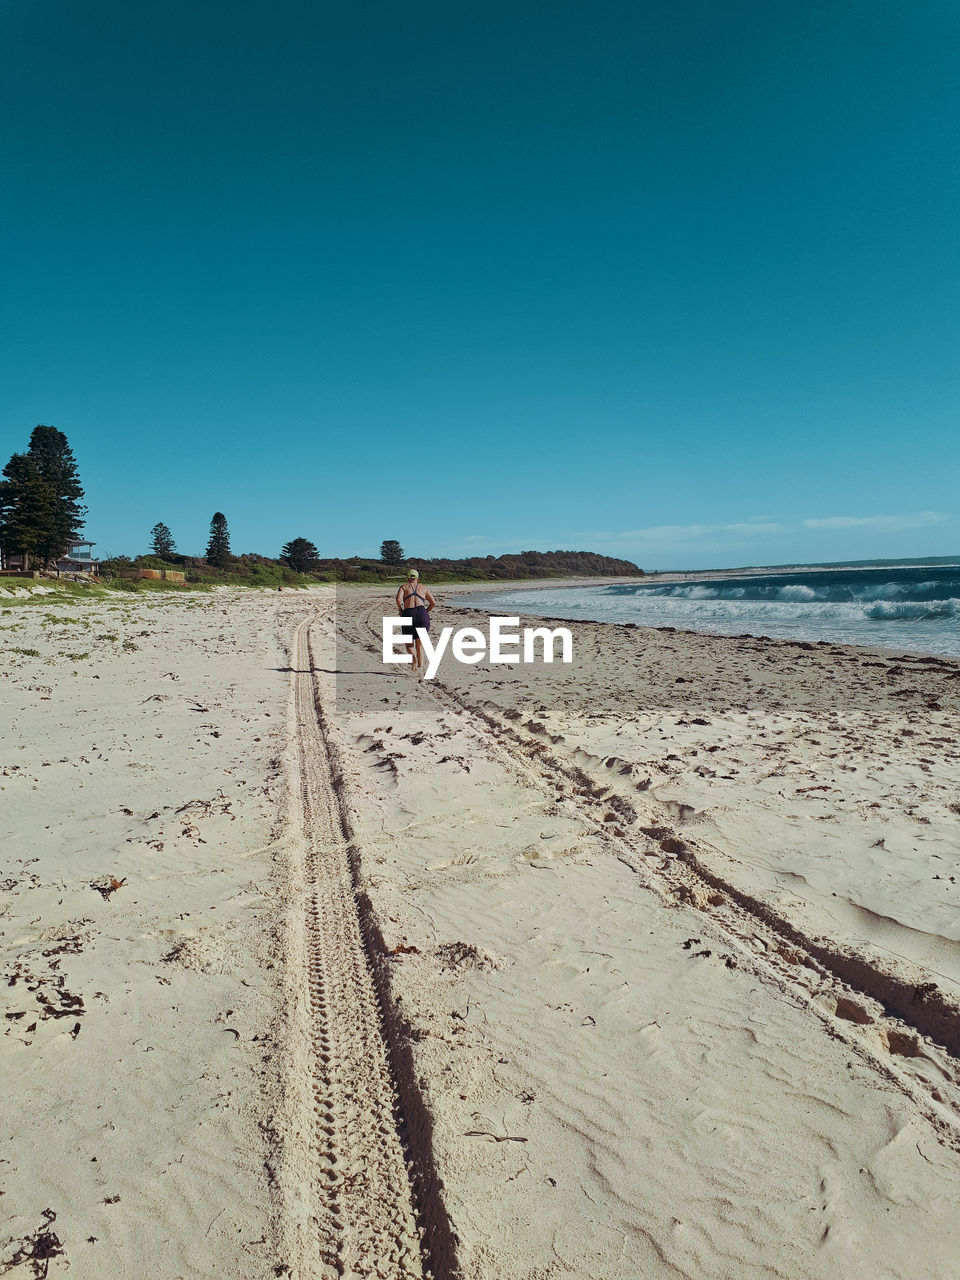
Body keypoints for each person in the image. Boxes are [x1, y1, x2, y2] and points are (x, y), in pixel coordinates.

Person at [395, 569, 436, 673]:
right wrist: (426, 611)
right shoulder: (424, 588)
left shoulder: (403, 587)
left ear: (408, 578)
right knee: (420, 645)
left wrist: (400, 609)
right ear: (417, 578)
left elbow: (398, 600)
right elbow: (433, 603)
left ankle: (413, 660)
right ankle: (420, 668)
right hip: (422, 614)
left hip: (408, 613)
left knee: (409, 644)